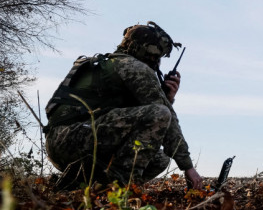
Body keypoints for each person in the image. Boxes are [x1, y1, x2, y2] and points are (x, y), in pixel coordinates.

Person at [44, 21, 203, 190]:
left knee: (160, 159)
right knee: (161, 113)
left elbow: (132, 120)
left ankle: (88, 187)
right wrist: (188, 167)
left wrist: (167, 98)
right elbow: (162, 117)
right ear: (146, 50)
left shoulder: (107, 63)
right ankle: (121, 189)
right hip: (75, 139)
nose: (157, 62)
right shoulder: (133, 67)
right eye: (156, 56)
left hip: (62, 143)